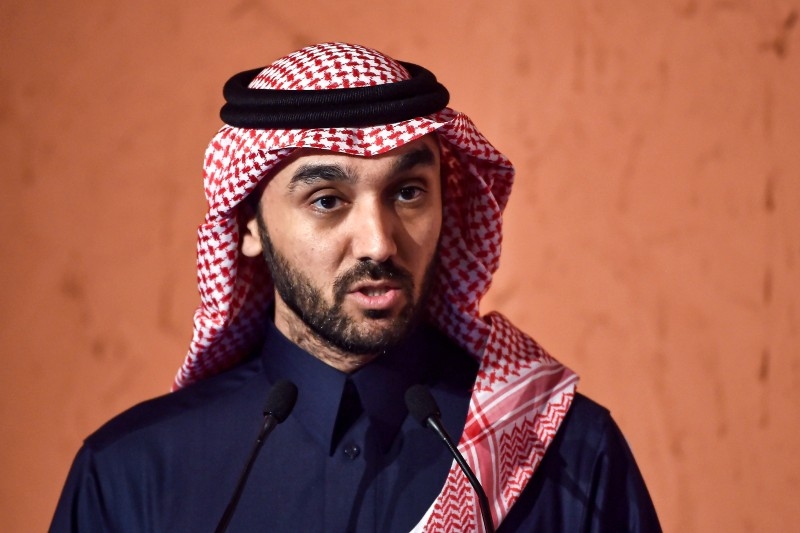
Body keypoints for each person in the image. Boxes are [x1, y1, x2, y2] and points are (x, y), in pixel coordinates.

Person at [50, 42, 661, 532]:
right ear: (247, 226)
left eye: (408, 192)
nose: (378, 241)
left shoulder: (562, 454)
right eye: (327, 200)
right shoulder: (134, 473)